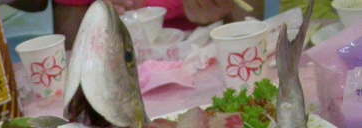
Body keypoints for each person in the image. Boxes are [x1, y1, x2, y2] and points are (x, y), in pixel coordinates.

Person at [53, 0, 265, 49]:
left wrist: (222, 8)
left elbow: (249, 20)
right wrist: (97, 13)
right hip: (113, 68)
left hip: (209, 57)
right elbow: (72, 49)